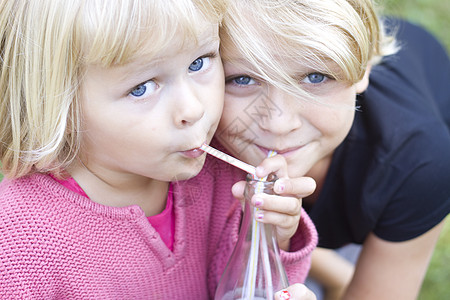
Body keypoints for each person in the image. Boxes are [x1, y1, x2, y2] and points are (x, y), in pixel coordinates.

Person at [0, 0, 319, 299]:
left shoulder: (224, 175)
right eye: (141, 88)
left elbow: (234, 287)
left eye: (199, 63)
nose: (193, 109)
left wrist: (269, 238)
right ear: (58, 108)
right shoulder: (17, 239)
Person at [214, 0, 450, 299]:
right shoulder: (197, 137)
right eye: (242, 79)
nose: (278, 124)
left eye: (315, 77)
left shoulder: (416, 163)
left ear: (364, 69)